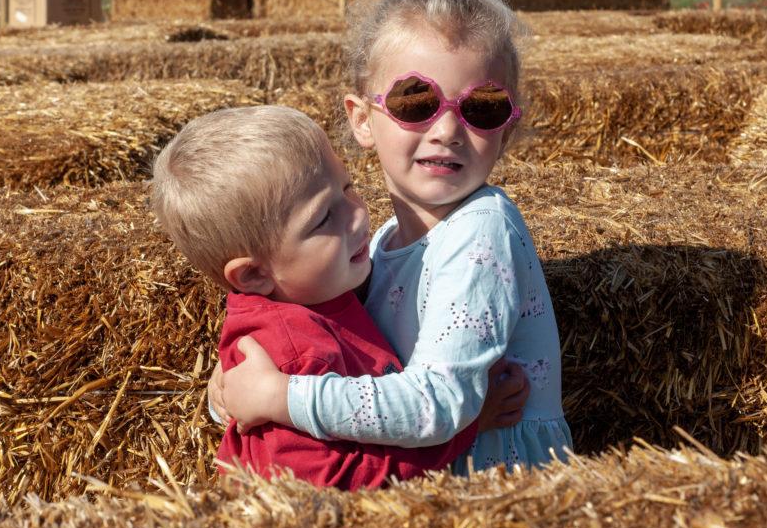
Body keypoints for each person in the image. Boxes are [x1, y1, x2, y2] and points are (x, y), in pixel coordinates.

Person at [215, 0, 572, 473]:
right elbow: (314, 345)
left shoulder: (480, 229)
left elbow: (442, 404)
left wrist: (283, 397)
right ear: (362, 120)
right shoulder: (375, 245)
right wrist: (232, 386)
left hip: (491, 489)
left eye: (482, 107)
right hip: (419, 483)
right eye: (416, 101)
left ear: (507, 128)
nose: (446, 130)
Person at [150, 105, 523, 490]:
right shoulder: (292, 359)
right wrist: (470, 425)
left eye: (348, 188)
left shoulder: (315, 295)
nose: (359, 215)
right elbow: (332, 487)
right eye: (324, 218)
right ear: (254, 274)